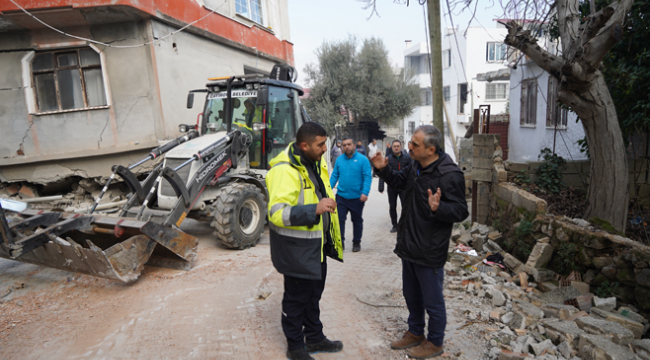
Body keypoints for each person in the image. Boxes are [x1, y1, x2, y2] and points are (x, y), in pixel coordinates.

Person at [370, 125, 468, 359]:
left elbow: (461, 211)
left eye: (414, 144)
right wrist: (383, 170)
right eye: (410, 143)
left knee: (432, 300)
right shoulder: (415, 165)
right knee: (411, 294)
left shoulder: (449, 174)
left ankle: (435, 342)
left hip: (430, 247)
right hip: (409, 243)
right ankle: (415, 332)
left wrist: (439, 207)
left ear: (431, 149)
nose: (408, 147)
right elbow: (400, 183)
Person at [266, 122, 344, 360]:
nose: (325, 149)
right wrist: (314, 209)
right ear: (304, 145)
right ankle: (295, 347)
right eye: (320, 145)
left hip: (316, 248)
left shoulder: (313, 161)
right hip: (297, 252)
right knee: (296, 300)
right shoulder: (284, 170)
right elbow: (276, 213)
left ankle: (314, 338)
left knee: (313, 296)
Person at [330, 137, 372, 252]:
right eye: (344, 145)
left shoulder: (363, 160)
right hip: (341, 197)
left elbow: (367, 177)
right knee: (339, 219)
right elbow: (335, 175)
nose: (346, 147)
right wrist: (327, 189)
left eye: (349, 144)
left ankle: (356, 242)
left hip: (357, 198)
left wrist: (365, 192)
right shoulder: (339, 160)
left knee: (357, 220)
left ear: (354, 145)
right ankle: (340, 242)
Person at [378, 140, 411, 233]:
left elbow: (412, 172)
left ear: (401, 147)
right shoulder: (388, 159)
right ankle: (394, 225)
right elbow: (383, 172)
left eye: (398, 146)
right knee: (392, 206)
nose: (396, 147)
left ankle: (404, 224)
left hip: (404, 187)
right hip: (392, 186)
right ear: (392, 147)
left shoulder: (407, 158)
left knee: (406, 206)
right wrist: (381, 187)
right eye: (394, 146)